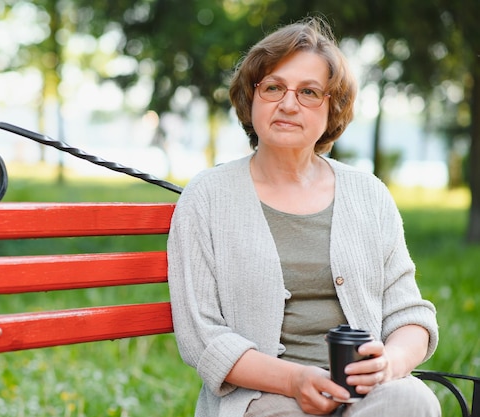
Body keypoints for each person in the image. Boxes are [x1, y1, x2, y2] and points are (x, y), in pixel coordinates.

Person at [167, 16, 440, 417]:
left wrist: (389, 365)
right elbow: (203, 337)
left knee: (413, 400)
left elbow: (409, 315)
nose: (288, 104)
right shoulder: (207, 198)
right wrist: (295, 380)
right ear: (252, 97)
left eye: (309, 92)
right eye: (274, 87)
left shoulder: (369, 195)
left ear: (333, 109)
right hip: (262, 397)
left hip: (365, 396)